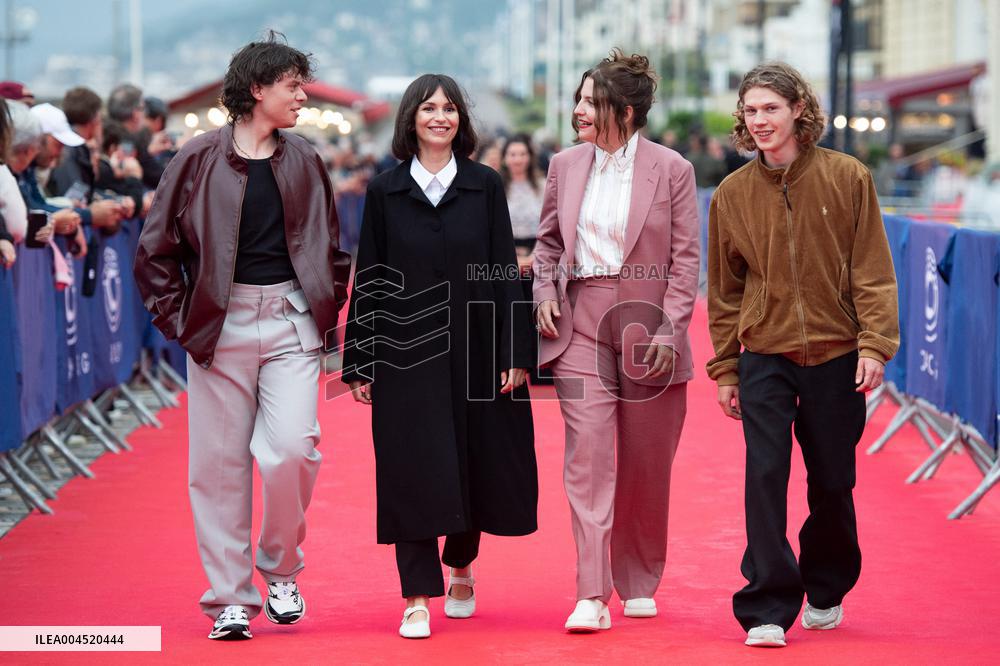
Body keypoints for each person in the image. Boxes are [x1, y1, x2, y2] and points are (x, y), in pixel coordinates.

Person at [133, 33, 351, 642]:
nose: (302, 96)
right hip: (218, 326)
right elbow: (154, 253)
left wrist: (322, 314)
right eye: (292, 85)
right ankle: (229, 597)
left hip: (290, 320)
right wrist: (185, 322)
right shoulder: (196, 158)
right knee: (219, 468)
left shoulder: (305, 157)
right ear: (257, 89)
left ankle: (281, 570)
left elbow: (329, 248)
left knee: (291, 450)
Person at [706, 62, 899, 648]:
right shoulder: (732, 195)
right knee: (764, 476)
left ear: (797, 110)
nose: (759, 120)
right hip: (764, 353)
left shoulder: (848, 177)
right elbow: (724, 290)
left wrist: (874, 344)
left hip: (838, 353)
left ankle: (827, 584)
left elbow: (871, 271)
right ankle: (766, 605)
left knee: (832, 482)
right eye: (750, 110)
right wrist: (725, 366)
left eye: (770, 108)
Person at [341, 73, 537, 640]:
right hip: (407, 352)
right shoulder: (384, 192)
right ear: (411, 118)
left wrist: (516, 349)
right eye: (428, 108)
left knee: (475, 463)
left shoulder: (484, 185)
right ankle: (415, 594)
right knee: (411, 468)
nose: (440, 117)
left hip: (477, 350)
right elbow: (371, 278)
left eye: (449, 108)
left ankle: (461, 564)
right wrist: (359, 359)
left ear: (461, 120)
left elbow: (504, 271)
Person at [533, 49, 700, 632]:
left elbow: (685, 262)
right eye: (578, 99)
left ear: (624, 112)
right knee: (588, 456)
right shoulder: (564, 165)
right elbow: (549, 243)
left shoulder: (672, 169)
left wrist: (671, 327)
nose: (577, 109)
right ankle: (590, 591)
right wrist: (544, 290)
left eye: (589, 101)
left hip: (649, 324)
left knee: (646, 463)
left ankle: (638, 578)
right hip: (580, 321)